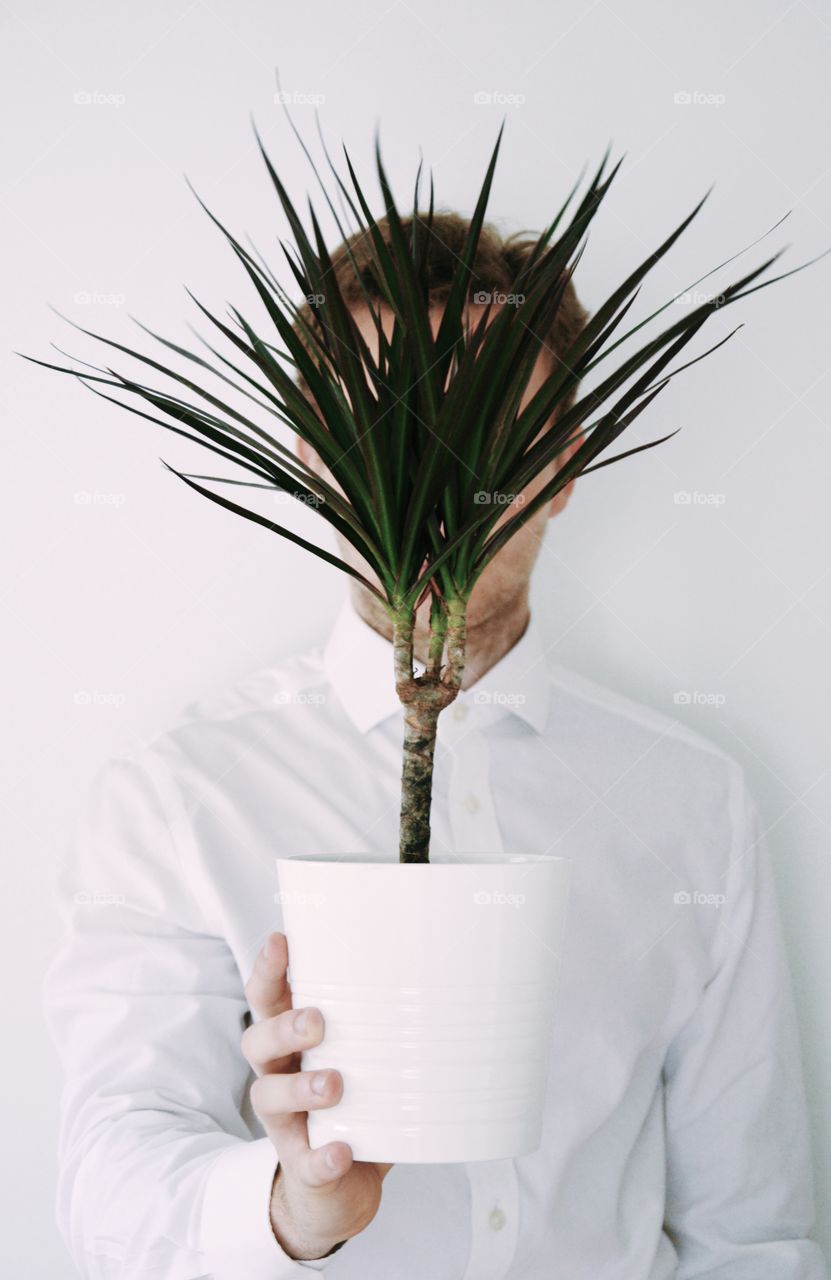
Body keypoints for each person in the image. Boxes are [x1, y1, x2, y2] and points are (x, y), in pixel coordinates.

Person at [44, 214, 828, 1279]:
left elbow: (753, 1232)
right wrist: (294, 1204)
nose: (434, 491)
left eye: (483, 436)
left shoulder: (693, 804)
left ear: (561, 461)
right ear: (316, 459)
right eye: (386, 436)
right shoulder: (180, 797)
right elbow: (105, 1190)